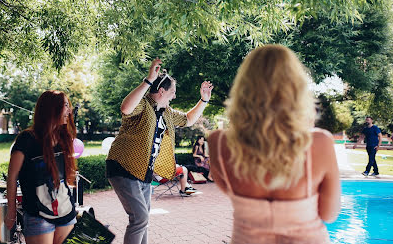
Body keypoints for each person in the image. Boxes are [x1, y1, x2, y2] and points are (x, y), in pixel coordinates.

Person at [208, 45, 341, 244]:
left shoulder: (218, 143)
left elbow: (231, 191)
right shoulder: (320, 143)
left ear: (244, 86)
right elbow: (329, 215)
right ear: (296, 87)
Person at [106, 58, 213, 244]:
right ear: (161, 91)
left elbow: (188, 119)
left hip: (144, 172)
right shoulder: (143, 104)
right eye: (172, 92)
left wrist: (204, 100)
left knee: (142, 220)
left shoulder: (167, 112)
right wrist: (148, 80)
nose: (174, 97)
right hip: (123, 167)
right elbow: (126, 107)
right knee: (140, 219)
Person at [5, 90, 77, 244]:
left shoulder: (63, 138)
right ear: (52, 108)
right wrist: (11, 212)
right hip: (38, 215)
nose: (69, 110)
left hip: (66, 213)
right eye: (65, 105)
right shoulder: (27, 139)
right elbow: (12, 177)